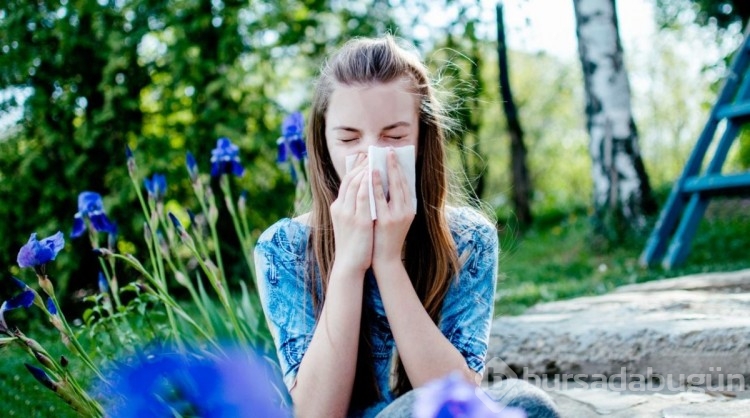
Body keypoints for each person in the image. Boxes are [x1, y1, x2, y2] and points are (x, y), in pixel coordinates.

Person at [255, 35, 559, 418]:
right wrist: (349, 262)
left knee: (525, 401)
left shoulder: (468, 240)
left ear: (421, 138)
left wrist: (387, 260)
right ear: (323, 142)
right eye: (349, 138)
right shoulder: (285, 247)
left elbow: (458, 400)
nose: (371, 155)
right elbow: (318, 412)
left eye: (394, 136)